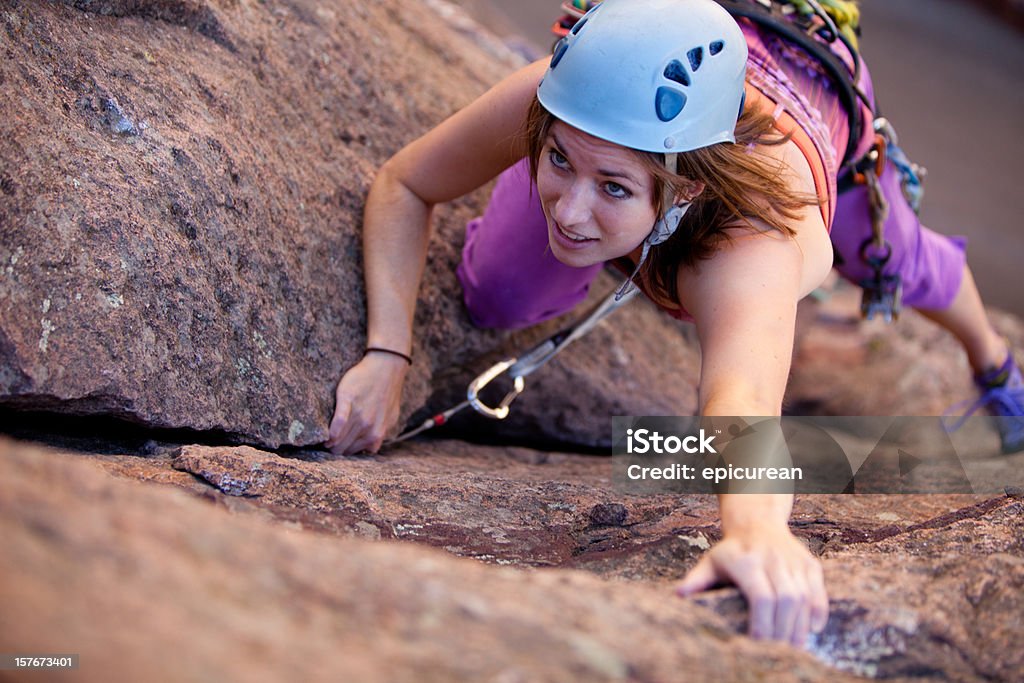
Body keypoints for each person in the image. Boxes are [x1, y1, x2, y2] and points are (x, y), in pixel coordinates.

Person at [324, 0, 1023, 646]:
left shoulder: (752, 248)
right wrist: (389, 350)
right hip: (685, 53)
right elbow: (407, 183)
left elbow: (742, 402)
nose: (567, 211)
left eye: (613, 187)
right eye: (557, 160)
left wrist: (755, 535)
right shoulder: (589, 92)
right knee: (496, 295)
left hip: (802, 75)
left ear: (685, 189)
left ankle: (996, 365)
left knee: (900, 255)